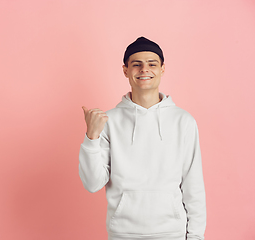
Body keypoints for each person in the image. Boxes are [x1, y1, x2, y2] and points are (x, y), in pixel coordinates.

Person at [79, 37, 206, 240]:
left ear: (162, 69)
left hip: (172, 233)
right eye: (136, 64)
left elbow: (194, 186)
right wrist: (91, 138)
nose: (144, 69)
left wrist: (196, 236)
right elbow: (92, 184)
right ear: (125, 70)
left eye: (152, 64)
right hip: (123, 233)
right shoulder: (108, 121)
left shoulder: (184, 121)